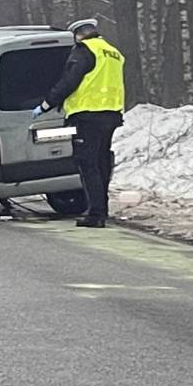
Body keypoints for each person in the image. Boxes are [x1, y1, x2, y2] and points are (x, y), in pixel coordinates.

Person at [34, 16, 127, 228]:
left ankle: (95, 214)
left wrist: (47, 104)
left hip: (87, 115)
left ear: (79, 35)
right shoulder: (113, 52)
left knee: (87, 163)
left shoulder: (84, 51)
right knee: (101, 162)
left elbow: (70, 81)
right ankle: (101, 209)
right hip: (111, 114)